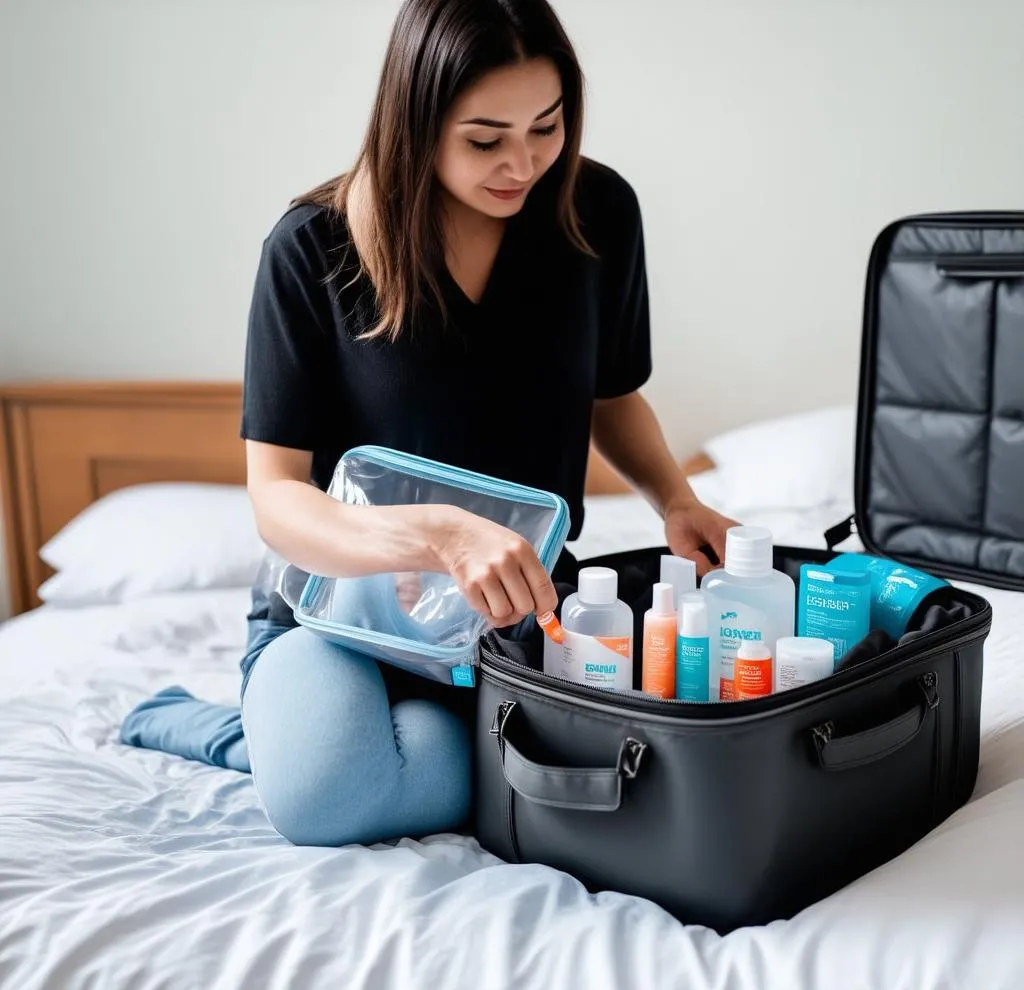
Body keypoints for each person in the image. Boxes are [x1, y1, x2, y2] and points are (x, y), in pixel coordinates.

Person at [120, 0, 737, 848]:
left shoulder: (597, 213)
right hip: (337, 615)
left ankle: (342, 739)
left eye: (547, 126)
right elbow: (277, 501)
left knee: (591, 782)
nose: (522, 162)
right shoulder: (314, 247)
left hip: (507, 616)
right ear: (415, 121)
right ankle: (226, 728)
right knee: (329, 799)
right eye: (485, 139)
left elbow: (610, 396)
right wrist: (438, 534)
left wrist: (674, 498)